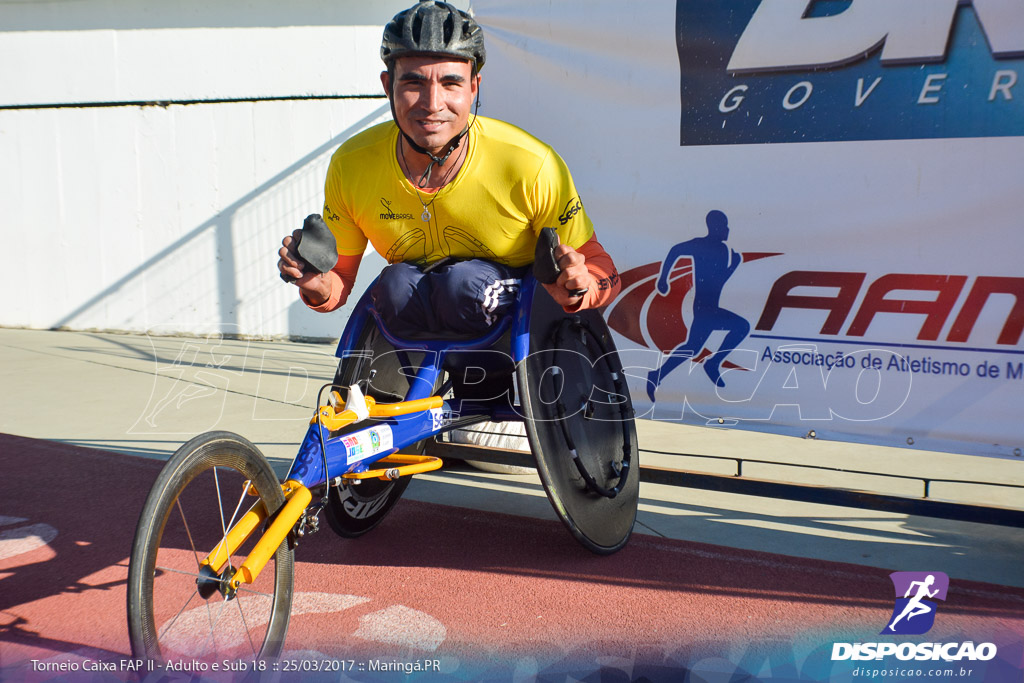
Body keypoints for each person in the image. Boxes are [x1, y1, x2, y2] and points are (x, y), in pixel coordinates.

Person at [277, 0, 620, 345]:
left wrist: (581, 286)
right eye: (414, 83)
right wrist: (316, 284)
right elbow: (336, 282)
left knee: (463, 285)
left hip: (519, 322)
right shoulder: (352, 164)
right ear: (387, 86)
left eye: (451, 83)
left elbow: (604, 273)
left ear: (474, 87)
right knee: (393, 286)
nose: (433, 103)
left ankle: (485, 394)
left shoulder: (531, 162)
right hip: (415, 308)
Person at [647, 209, 749, 397]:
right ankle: (713, 363)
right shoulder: (700, 245)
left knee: (692, 347)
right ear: (715, 226)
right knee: (741, 326)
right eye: (725, 225)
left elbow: (717, 282)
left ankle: (657, 375)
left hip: (710, 308)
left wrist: (732, 266)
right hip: (704, 309)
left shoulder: (723, 250)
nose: (728, 229)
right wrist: (663, 278)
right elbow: (676, 250)